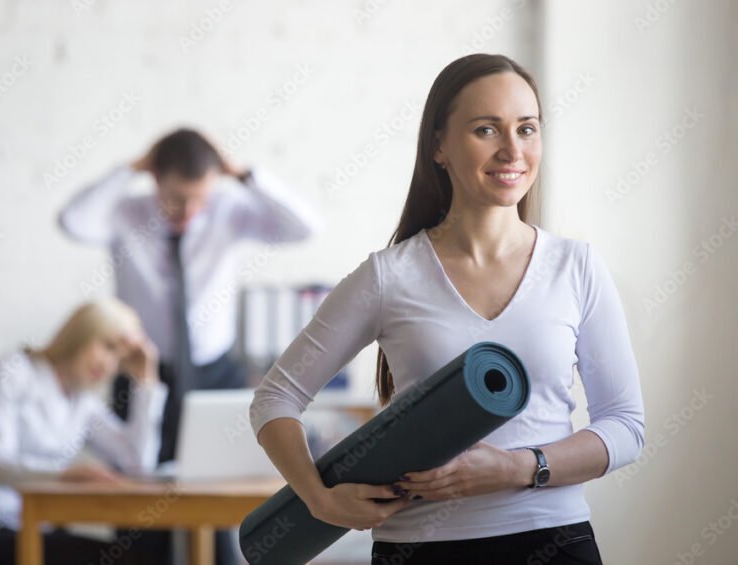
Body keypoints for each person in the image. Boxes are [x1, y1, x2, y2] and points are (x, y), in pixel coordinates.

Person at [249, 54, 645, 564]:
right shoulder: (389, 276)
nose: (512, 150)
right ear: (439, 146)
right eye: (487, 129)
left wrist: (519, 468)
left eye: (527, 129)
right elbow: (275, 398)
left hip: (555, 542)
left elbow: (625, 426)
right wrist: (318, 498)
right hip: (420, 549)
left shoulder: (577, 266)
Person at [59, 128, 320, 564]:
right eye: (177, 198)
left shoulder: (228, 209)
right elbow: (73, 221)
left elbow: (305, 227)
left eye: (199, 198)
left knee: (219, 494)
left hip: (214, 371)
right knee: (138, 504)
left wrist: (242, 173)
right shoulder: (125, 211)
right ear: (156, 179)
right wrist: (130, 169)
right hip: (142, 371)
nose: (188, 211)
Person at [0, 299, 166, 565]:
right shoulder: (13, 372)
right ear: (81, 333)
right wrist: (63, 476)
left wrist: (146, 383)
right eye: (107, 347)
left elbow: (138, 463)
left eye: (119, 358)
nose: (109, 365)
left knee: (134, 557)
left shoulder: (83, 402)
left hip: (34, 527)